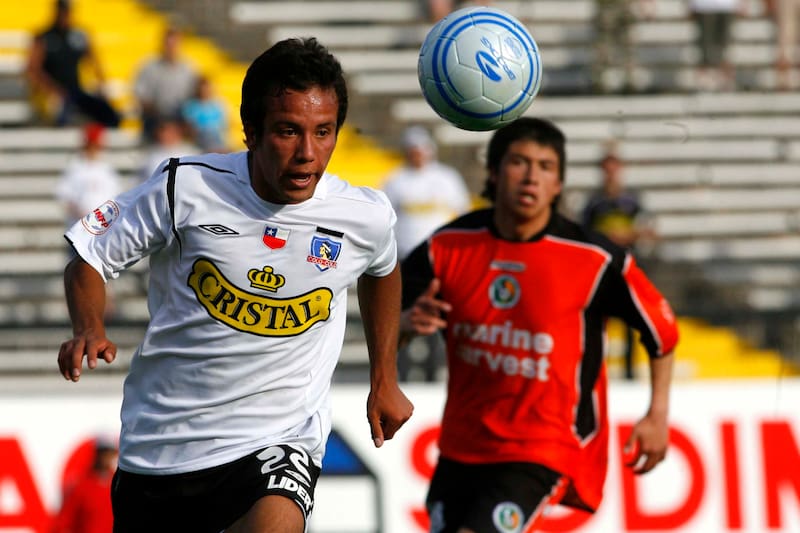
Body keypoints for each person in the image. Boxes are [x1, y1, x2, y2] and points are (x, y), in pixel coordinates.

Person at [57, 37, 414, 533]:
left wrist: (384, 378)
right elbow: (90, 253)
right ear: (250, 130)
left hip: (278, 440)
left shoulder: (362, 216)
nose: (308, 154)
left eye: (324, 132)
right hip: (162, 446)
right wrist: (88, 326)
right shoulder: (185, 187)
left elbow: (383, 267)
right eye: (288, 131)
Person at [399, 117, 678, 532]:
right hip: (462, 445)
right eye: (519, 162)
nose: (531, 176)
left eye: (546, 166)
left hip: (543, 445)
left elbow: (662, 331)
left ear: (559, 184)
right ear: (494, 173)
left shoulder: (594, 259)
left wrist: (657, 414)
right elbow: (389, 322)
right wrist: (405, 324)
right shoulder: (447, 246)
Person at [382, 125, 470, 381]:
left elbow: (462, 213)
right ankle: (404, 373)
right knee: (405, 315)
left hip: (441, 260)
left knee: (437, 314)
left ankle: (434, 373)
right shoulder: (395, 179)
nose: (417, 155)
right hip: (407, 258)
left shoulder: (447, 178)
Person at [581, 150, 655, 379]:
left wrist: (623, 236)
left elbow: (648, 230)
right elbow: (583, 233)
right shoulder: (593, 202)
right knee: (598, 322)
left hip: (626, 268)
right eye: (607, 168)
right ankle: (596, 370)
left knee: (631, 322)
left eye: (614, 168)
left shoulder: (633, 200)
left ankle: (629, 372)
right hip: (601, 269)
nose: (611, 173)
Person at [25, 0, 121, 127]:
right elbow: (33, 70)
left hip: (75, 93)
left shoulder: (79, 36)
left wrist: (101, 85)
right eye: (62, 12)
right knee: (60, 112)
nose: (65, 16)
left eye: (67, 12)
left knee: (110, 115)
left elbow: (94, 62)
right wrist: (51, 90)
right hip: (52, 94)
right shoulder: (44, 37)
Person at [133, 27, 198, 144]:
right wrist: (164, 122)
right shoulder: (149, 67)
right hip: (155, 118)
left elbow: (195, 96)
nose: (171, 48)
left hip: (181, 117)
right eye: (168, 44)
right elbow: (142, 97)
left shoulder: (189, 69)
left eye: (175, 44)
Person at [50, 436, 118, 533]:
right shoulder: (81, 486)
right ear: (97, 455)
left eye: (110, 453)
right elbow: (64, 521)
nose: (107, 458)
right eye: (103, 453)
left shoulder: (117, 485)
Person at [688, 0, 745, 91]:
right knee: (705, 45)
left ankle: (724, 79)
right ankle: (704, 81)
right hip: (704, 6)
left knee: (725, 46)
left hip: (727, 5)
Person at [181, 75, 229, 152]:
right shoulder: (190, 106)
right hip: (199, 139)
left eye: (207, 89)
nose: (204, 91)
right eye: (202, 89)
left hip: (216, 138)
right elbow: (189, 127)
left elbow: (224, 125)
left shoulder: (219, 104)